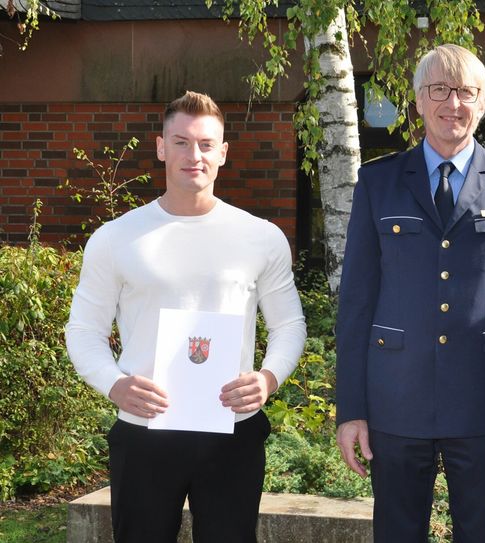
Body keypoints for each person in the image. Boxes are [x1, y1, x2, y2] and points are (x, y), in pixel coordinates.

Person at [335, 44, 485, 542]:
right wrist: (352, 409)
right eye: (439, 90)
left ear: (483, 104)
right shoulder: (378, 182)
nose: (452, 104)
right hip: (395, 399)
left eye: (466, 93)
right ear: (418, 101)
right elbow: (356, 304)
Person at [65, 91, 307, 542]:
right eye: (181, 142)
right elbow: (83, 330)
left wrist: (268, 378)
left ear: (223, 153)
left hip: (232, 429)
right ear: (161, 147)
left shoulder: (261, 237)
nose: (194, 155)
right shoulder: (115, 238)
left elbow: (288, 325)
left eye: (205, 144)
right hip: (144, 433)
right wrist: (114, 384)